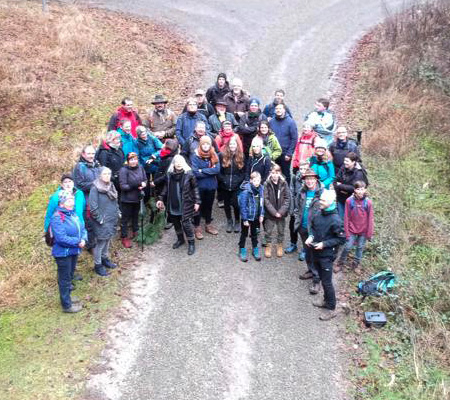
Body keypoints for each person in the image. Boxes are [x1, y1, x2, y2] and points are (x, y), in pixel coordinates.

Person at [305, 189, 345, 321]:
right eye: (320, 199)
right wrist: (311, 237)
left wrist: (324, 244)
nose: (319, 202)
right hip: (315, 252)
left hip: (327, 255)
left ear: (331, 202)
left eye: (322, 200)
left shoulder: (336, 220)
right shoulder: (318, 214)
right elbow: (314, 229)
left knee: (327, 283)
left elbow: (341, 239)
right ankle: (325, 301)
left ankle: (331, 308)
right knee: (322, 278)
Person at [50, 190, 87, 313]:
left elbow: (82, 228)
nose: (72, 202)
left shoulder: (73, 214)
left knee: (70, 275)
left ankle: (68, 298)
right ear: (61, 203)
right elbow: (61, 238)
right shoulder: (57, 217)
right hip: (63, 253)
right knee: (64, 279)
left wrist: (83, 238)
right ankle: (66, 305)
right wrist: (78, 241)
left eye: (72, 199)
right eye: (69, 200)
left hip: (73, 251)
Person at [156, 155, 200, 255]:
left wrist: (197, 201)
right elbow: (165, 189)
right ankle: (180, 239)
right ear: (174, 164)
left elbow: (195, 188)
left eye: (181, 162)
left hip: (186, 204)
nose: (179, 164)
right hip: (173, 204)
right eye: (176, 162)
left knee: (186, 224)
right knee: (176, 223)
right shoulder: (169, 175)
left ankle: (191, 243)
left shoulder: (189, 174)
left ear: (184, 163)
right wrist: (161, 199)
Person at [293, 168, 324, 294]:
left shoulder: (322, 193)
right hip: (303, 228)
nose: (309, 181)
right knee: (307, 252)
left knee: (316, 255)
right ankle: (310, 271)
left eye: (312, 179)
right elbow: (296, 208)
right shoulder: (302, 192)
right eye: (307, 179)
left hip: (315, 231)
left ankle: (317, 281)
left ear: (316, 179)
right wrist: (297, 221)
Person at [336, 181, 374, 273]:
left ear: (365, 190)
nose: (360, 191)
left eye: (362, 189)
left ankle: (356, 264)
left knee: (360, 247)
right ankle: (340, 263)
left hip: (363, 231)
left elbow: (370, 218)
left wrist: (369, 233)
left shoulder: (368, 202)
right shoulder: (349, 201)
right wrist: (347, 232)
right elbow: (346, 217)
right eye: (358, 189)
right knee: (347, 247)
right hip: (352, 229)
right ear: (354, 190)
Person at [89, 167, 120, 276]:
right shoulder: (95, 188)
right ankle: (98, 265)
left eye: (109, 173)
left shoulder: (111, 185)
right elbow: (93, 207)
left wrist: (118, 211)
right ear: (100, 175)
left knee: (107, 240)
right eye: (105, 174)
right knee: (101, 243)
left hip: (111, 219)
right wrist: (100, 219)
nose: (107, 176)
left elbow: (115, 201)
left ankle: (105, 259)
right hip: (102, 221)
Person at [191, 136, 220, 238]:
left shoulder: (214, 154)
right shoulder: (195, 155)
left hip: (211, 186)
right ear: (200, 144)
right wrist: (209, 171)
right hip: (199, 186)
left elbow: (217, 170)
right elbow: (195, 172)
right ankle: (197, 227)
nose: (206, 146)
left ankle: (208, 224)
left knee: (209, 206)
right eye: (204, 144)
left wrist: (202, 170)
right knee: (197, 207)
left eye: (207, 144)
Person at [73, 145, 102, 250]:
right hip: (86, 198)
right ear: (83, 154)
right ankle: (90, 245)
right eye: (89, 153)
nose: (91, 156)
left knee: (98, 220)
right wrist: (96, 184)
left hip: (97, 197)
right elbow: (79, 184)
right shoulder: (79, 167)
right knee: (89, 222)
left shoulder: (96, 164)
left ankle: (98, 243)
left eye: (93, 153)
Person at [119, 153, 147, 248]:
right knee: (125, 219)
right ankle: (124, 237)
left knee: (136, 216)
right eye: (131, 160)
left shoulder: (141, 168)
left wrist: (144, 184)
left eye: (135, 159)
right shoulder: (124, 170)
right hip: (127, 199)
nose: (133, 161)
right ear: (128, 161)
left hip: (137, 197)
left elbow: (145, 179)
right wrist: (136, 185)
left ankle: (136, 232)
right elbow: (123, 186)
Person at [218, 138, 246, 233]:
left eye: (234, 144)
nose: (232, 146)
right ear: (228, 145)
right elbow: (219, 171)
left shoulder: (241, 156)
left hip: (236, 185)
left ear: (237, 145)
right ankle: (229, 221)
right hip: (225, 185)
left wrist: (238, 181)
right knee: (226, 204)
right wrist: (223, 180)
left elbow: (244, 172)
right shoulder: (222, 156)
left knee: (236, 204)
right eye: (231, 144)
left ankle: (237, 221)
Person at [263, 164, 290, 258]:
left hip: (281, 214)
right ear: (270, 173)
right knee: (268, 231)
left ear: (280, 173)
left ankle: (279, 244)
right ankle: (268, 244)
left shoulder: (284, 183)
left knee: (281, 230)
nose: (274, 175)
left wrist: (281, 212)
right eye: (273, 173)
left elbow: (287, 199)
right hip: (271, 213)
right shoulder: (266, 184)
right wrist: (274, 212)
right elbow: (265, 200)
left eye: (277, 173)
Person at [238, 171, 264, 262]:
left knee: (254, 233)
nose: (257, 182)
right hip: (247, 217)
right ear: (251, 180)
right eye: (255, 180)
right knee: (244, 233)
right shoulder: (246, 192)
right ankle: (242, 248)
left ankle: (255, 248)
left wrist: (261, 214)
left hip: (256, 217)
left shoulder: (261, 189)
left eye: (258, 180)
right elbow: (243, 206)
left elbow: (262, 204)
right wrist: (244, 219)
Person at [269, 103, 298, 184]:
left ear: (284, 110)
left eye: (280, 108)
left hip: (285, 154)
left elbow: (294, 138)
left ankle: (287, 192)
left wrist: (289, 153)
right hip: (274, 153)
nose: (278, 110)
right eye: (277, 109)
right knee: (273, 173)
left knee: (285, 174)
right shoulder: (271, 121)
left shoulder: (290, 122)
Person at [285, 161, 309, 258]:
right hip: (295, 207)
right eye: (301, 169)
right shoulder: (295, 178)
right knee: (292, 227)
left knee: (304, 230)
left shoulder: (310, 180)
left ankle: (305, 248)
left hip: (304, 209)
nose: (303, 171)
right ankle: (293, 244)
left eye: (305, 169)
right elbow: (291, 192)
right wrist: (292, 208)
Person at [334, 152, 367, 219]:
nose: (344, 162)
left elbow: (354, 188)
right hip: (341, 198)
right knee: (341, 218)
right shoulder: (343, 167)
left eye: (347, 161)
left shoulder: (359, 173)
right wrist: (343, 187)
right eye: (344, 160)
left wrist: (340, 186)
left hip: (352, 200)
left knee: (350, 219)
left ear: (353, 162)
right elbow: (336, 179)